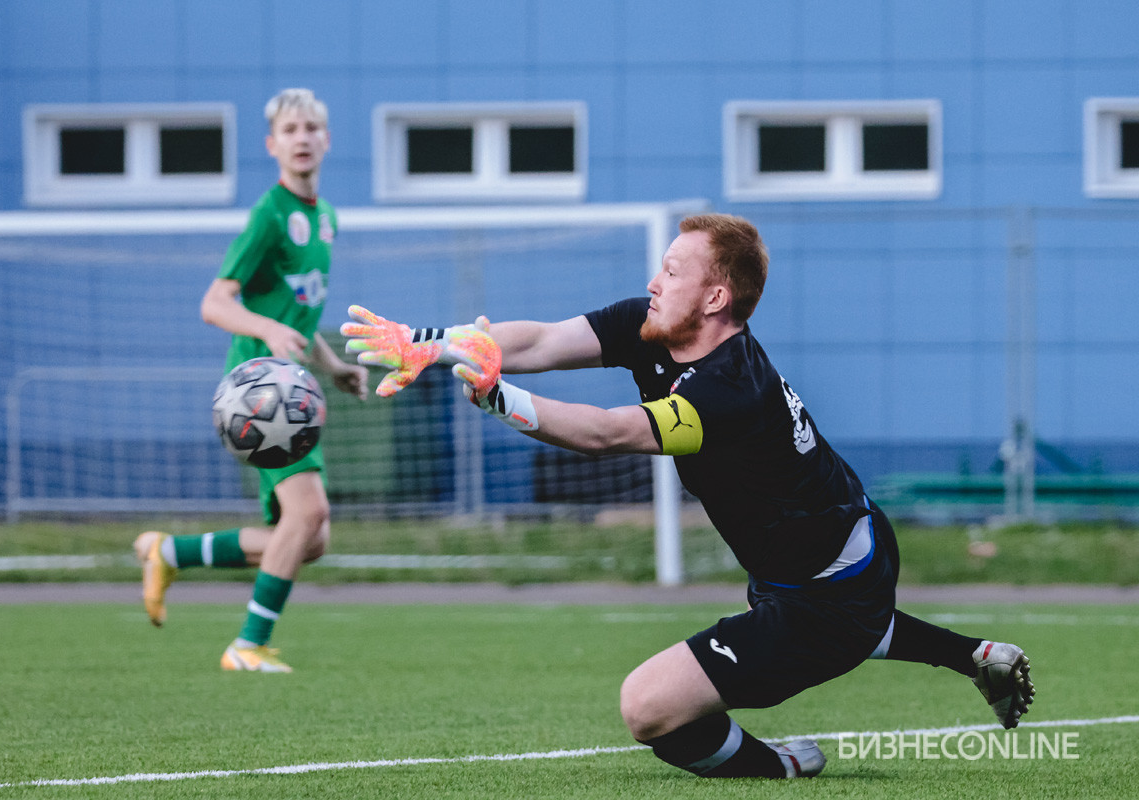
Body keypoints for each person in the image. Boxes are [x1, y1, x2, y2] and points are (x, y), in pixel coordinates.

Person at [341, 213, 1035, 778]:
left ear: (714, 298)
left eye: (672, 271)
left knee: (649, 707)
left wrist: (496, 396)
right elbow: (542, 339)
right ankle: (975, 656)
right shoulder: (651, 326)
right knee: (825, 619)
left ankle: (781, 765)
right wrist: (431, 345)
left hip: (827, 585)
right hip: (832, 548)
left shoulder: (731, 390)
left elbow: (610, 435)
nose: (653, 280)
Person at [134, 88, 368, 673]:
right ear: (272, 145)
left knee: (308, 540)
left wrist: (334, 366)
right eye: (290, 130)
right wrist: (265, 332)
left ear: (327, 139)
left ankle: (168, 552)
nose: (303, 138)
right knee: (308, 516)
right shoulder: (268, 216)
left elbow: (297, 317)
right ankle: (247, 646)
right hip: (260, 397)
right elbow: (214, 303)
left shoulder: (326, 217)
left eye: (312, 128)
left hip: (294, 387)